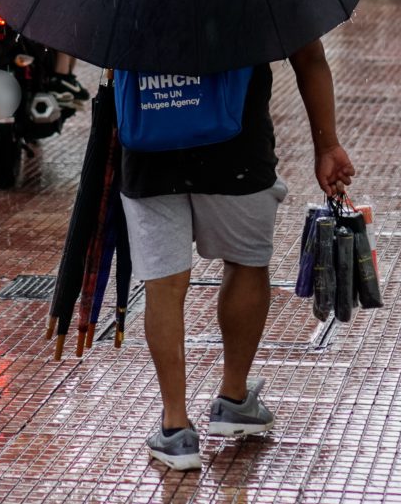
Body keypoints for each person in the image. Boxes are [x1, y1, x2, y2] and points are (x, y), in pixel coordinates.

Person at [123, 39, 356, 471]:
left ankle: (175, 428)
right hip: (235, 143)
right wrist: (326, 145)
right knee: (247, 263)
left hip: (149, 137)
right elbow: (309, 56)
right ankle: (233, 399)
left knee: (164, 283)